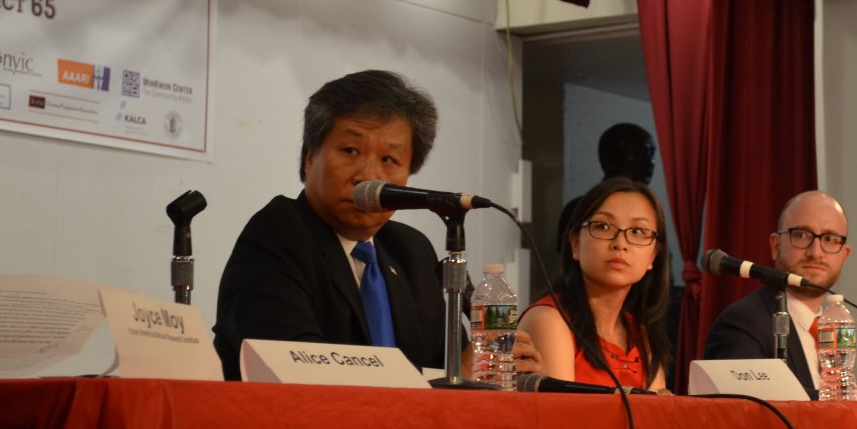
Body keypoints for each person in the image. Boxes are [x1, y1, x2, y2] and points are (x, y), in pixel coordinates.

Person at [212, 70, 541, 380]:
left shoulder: (412, 250)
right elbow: (299, 377)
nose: (368, 176)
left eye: (388, 160)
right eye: (350, 151)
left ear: (407, 175)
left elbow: (448, 363)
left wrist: (492, 366)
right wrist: (455, 378)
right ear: (310, 158)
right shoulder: (276, 236)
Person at [703, 190, 857, 401]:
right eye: (801, 235)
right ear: (775, 246)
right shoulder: (742, 323)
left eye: (830, 239)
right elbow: (750, 413)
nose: (815, 252)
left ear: (844, 256)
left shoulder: (833, 323)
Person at [519, 176, 671, 391]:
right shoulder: (549, 320)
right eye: (603, 226)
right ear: (574, 244)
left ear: (653, 256)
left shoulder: (640, 334)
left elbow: (657, 417)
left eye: (638, 231)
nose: (620, 243)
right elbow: (560, 419)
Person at [556, 123, 656, 251]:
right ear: (612, 158)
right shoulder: (578, 209)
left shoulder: (652, 213)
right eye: (640, 153)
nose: (650, 163)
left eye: (652, 154)